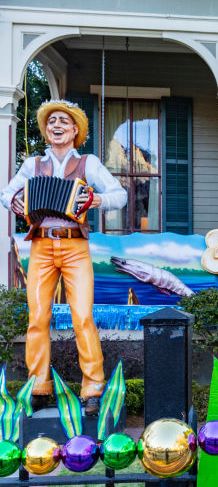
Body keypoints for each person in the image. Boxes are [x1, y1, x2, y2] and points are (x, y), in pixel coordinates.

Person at [0, 100, 127, 413]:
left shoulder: (88, 163)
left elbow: (120, 195)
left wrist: (96, 200)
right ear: (46, 130)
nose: (56, 125)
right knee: (37, 317)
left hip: (75, 246)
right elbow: (6, 194)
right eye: (51, 121)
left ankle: (93, 388)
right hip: (41, 245)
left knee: (82, 316)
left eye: (63, 121)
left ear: (74, 131)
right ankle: (39, 386)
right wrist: (15, 203)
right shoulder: (33, 166)